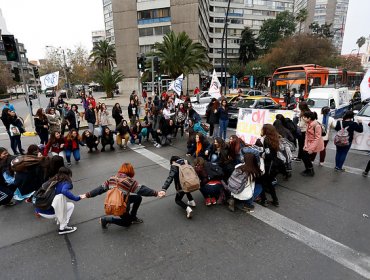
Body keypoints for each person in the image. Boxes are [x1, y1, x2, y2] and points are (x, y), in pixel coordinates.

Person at [83, 162, 165, 229]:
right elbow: (142, 190)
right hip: (120, 206)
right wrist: (156, 193)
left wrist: (87, 195)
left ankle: (133, 217)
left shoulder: (112, 178)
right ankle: (106, 220)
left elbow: (100, 189)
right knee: (127, 223)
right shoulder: (129, 181)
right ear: (130, 171)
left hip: (113, 203)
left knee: (138, 198)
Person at [35, 167, 83, 235]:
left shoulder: (53, 179)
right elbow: (64, 191)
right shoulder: (66, 183)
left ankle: (60, 219)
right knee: (71, 206)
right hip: (49, 212)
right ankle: (63, 228)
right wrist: (77, 198)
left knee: (63, 203)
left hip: (40, 209)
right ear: (68, 175)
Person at [255, 124, 282, 207]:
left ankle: (264, 200)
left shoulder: (266, 140)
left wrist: (260, 153)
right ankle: (275, 201)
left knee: (262, 182)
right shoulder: (276, 138)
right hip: (274, 165)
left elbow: (267, 155)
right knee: (269, 183)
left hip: (267, 165)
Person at [300, 111, 324, 176]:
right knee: (304, 156)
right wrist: (305, 145)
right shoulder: (308, 123)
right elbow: (307, 135)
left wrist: (311, 149)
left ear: (309, 118)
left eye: (304, 117)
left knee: (305, 157)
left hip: (314, 144)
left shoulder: (316, 125)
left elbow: (317, 138)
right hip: (309, 143)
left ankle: (310, 171)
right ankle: (308, 169)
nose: (303, 118)